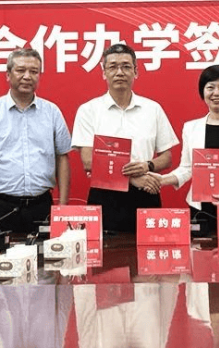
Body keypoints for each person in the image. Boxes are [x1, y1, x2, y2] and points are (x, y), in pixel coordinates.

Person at [71, 43, 179, 233]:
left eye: (126, 66)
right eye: (113, 67)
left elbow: (167, 157)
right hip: (105, 196)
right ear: (104, 72)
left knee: (149, 248)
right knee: (104, 251)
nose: (119, 72)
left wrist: (148, 165)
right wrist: (132, 179)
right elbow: (89, 162)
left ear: (136, 72)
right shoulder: (88, 110)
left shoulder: (152, 109)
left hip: (146, 192)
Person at [0, 48, 72, 236]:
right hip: (1, 206)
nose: (27, 76)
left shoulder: (52, 112)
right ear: (8, 75)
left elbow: (62, 157)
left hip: (41, 206)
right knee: (0, 255)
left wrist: (62, 206)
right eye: (21, 70)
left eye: (34, 71)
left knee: (45, 254)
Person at [153, 65, 219, 236]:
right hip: (199, 209)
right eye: (210, 87)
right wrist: (162, 180)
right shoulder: (191, 128)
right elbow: (187, 168)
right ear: (203, 92)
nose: (216, 93)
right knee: (200, 251)